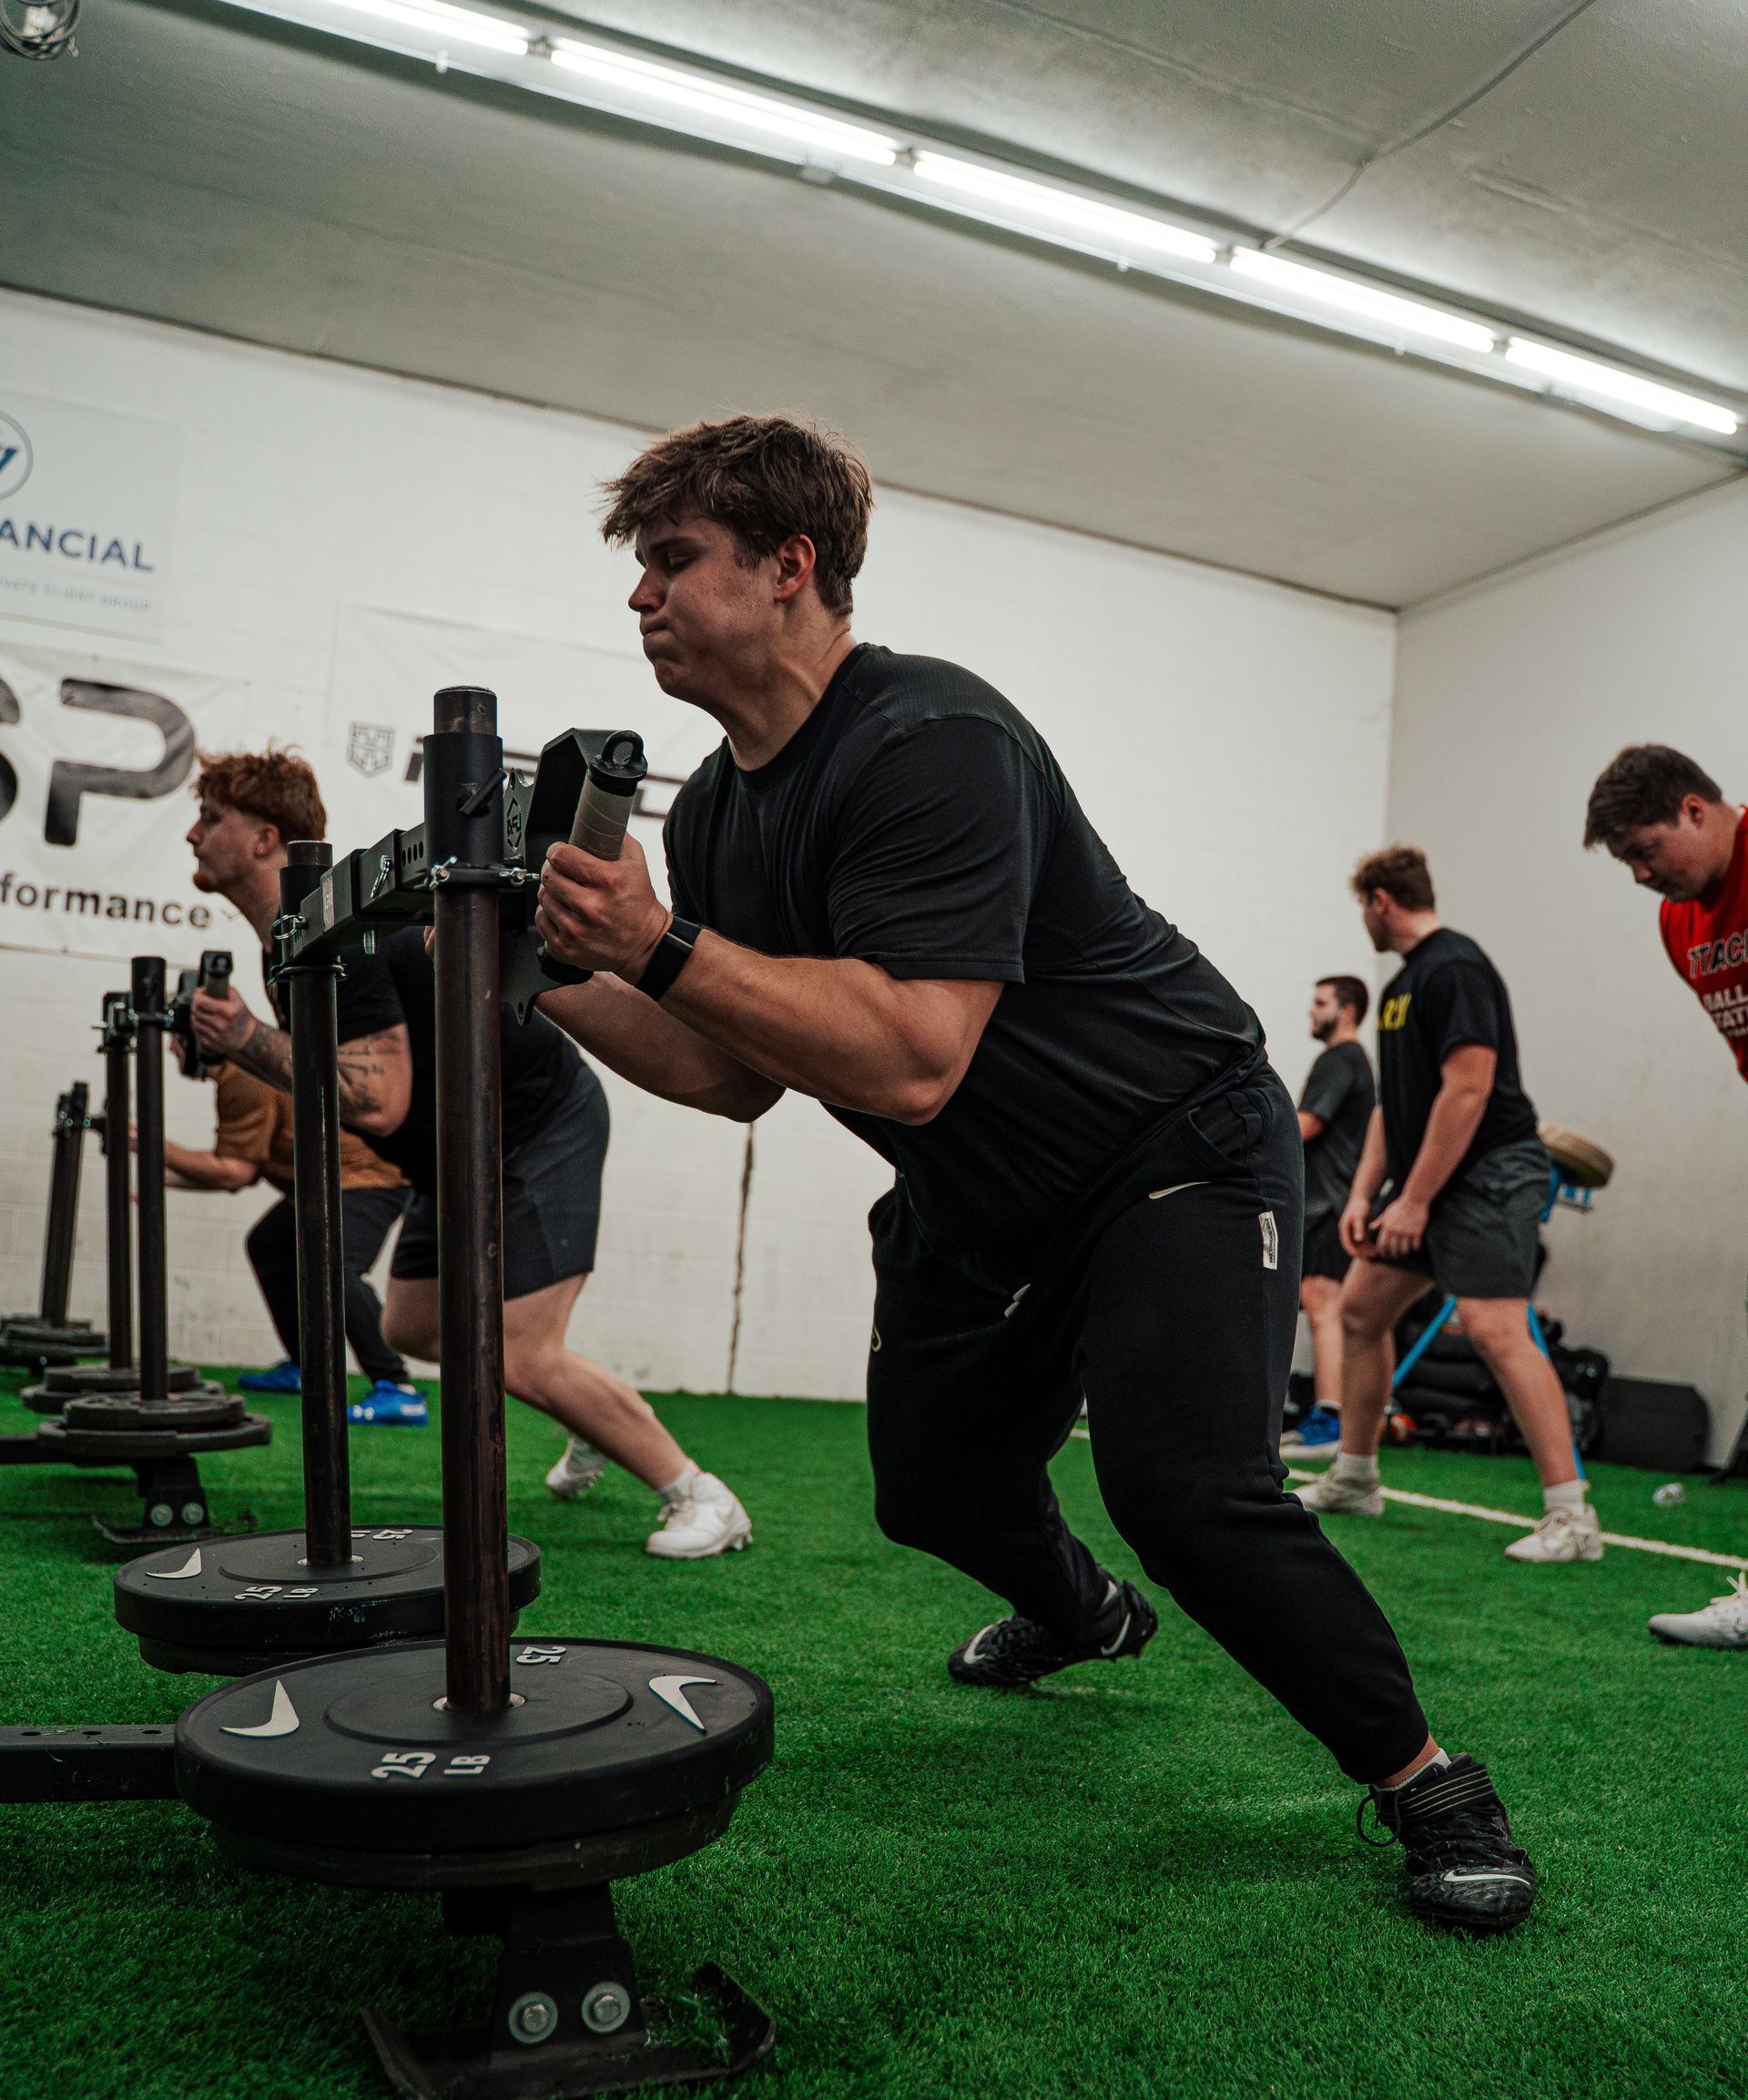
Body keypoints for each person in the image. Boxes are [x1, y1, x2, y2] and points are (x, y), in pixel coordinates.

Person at [529, 409, 1536, 1932]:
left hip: (1172, 1147)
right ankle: (1081, 1615)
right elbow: (736, 1074)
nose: (640, 597)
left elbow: (916, 1052)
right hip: (980, 1196)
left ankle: (1428, 1781)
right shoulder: (723, 809)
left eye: (674, 561)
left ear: (791, 567)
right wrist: (540, 972)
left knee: (1184, 1488)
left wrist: (654, 942)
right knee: (930, 1488)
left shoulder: (930, 740)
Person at [182, 746, 750, 1559]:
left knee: (520, 1351)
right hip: (457, 1146)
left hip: (533, 1123)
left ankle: (699, 1493)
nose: (193, 836)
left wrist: (244, 1040)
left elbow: (379, 1097)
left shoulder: (344, 933)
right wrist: (244, 1044)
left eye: (212, 819)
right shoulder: (295, 937)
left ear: (267, 837)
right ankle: (585, 1410)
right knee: (415, 1324)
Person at [1296, 847, 1598, 1565]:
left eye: (1361, 908)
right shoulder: (1403, 988)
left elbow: (1469, 1089)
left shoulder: (1453, 967)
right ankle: (1356, 1476)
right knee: (1362, 1312)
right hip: (1432, 1181)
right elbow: (1392, 1111)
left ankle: (1572, 1518)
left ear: (1379, 900)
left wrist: (1416, 1200)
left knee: (1497, 1330)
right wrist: (1369, 1193)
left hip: (1490, 1171)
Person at [1585, 741, 1748, 1647]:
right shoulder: (1679, 926)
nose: (1643, 876)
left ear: (1696, 808)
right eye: (1627, 866)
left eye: (1646, 850)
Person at [160, 1056, 419, 1417]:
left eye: (176, 1036)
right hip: (325, 1185)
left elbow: (233, 1172)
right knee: (270, 1245)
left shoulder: (244, 1076)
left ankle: (399, 1389)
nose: (173, 1046)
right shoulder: (240, 1074)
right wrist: (159, 1176)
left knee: (336, 1267)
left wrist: (148, 1143)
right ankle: (306, 1367)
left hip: (367, 1181)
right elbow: (242, 1170)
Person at [1280, 975, 1374, 1466]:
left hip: (1327, 1205)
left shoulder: (1340, 1060)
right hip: (1327, 1204)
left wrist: (1254, 1136)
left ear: (1349, 1010)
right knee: (1321, 1306)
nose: (1311, 1012)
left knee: (1324, 1307)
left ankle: (1331, 1420)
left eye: (1320, 1003)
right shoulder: (1352, 1062)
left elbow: (1307, 1123)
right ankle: (1329, 1416)